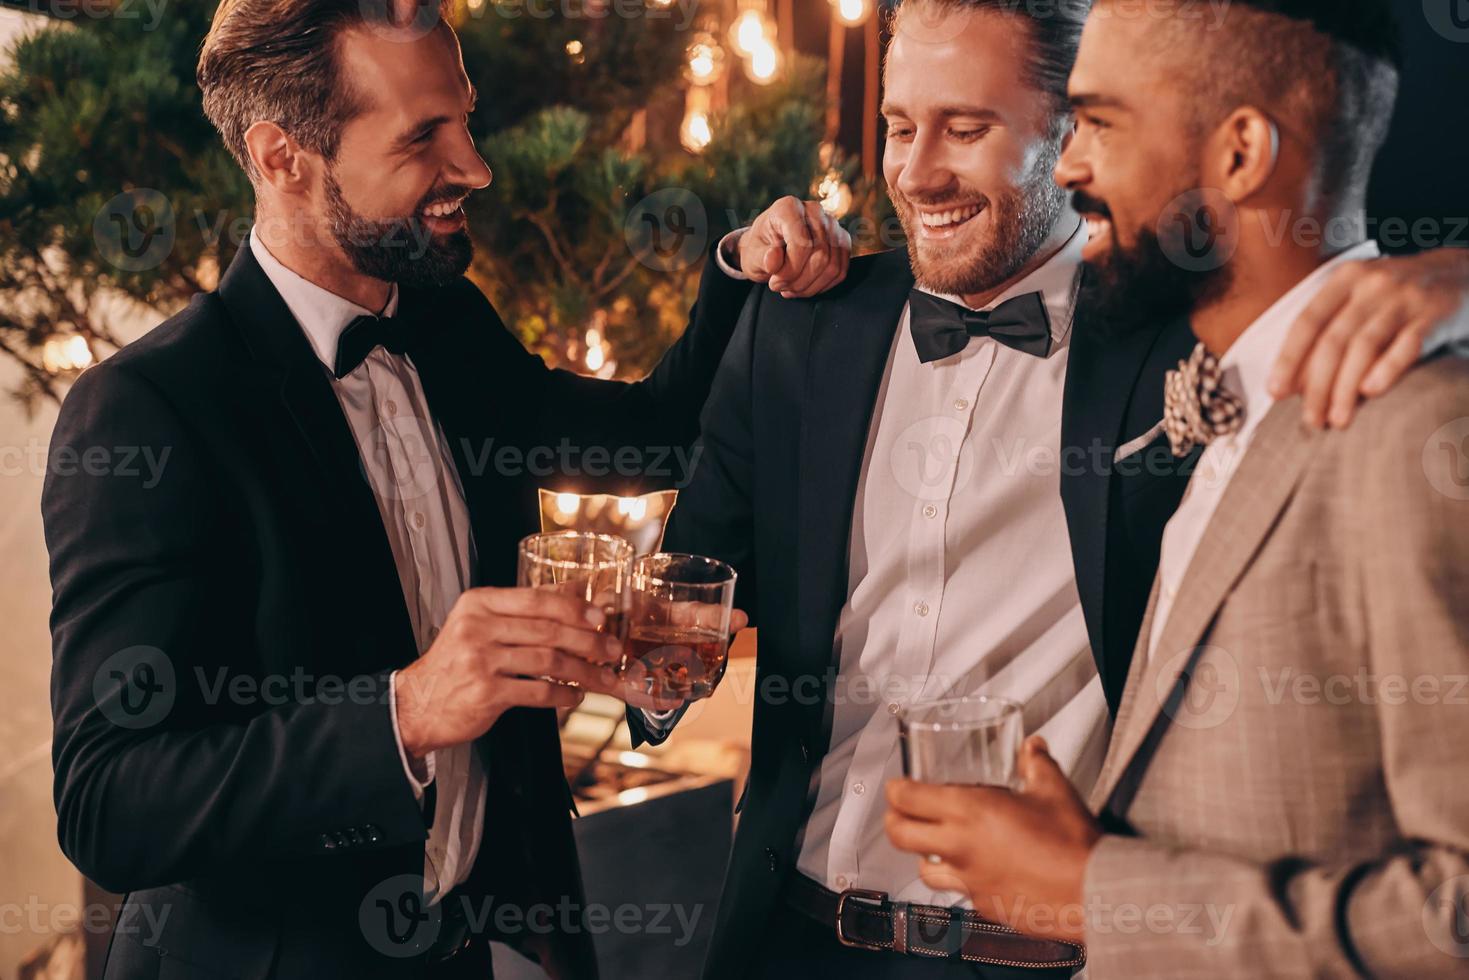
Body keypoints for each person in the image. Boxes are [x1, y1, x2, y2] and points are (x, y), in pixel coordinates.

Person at [633, 0, 1469, 977]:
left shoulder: (1176, 330)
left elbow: (1317, 282)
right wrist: (643, 670)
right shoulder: (804, 325)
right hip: (791, 930)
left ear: (1064, 125)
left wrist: (1452, 279)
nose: (911, 170)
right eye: (898, 126)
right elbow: (684, 572)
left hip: (1052, 953)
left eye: (967, 126)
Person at [42, 2, 845, 977]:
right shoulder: (145, 412)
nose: (474, 167)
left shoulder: (445, 322)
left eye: (463, 117)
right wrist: (406, 710)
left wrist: (745, 266)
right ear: (281, 156)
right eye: (424, 135)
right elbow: (107, 802)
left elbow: (652, 435)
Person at [883, 1, 1469, 977]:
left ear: (1239, 154)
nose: (1067, 167)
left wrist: (1090, 891)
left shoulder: (1410, 431)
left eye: (1100, 123)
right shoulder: (1222, 399)